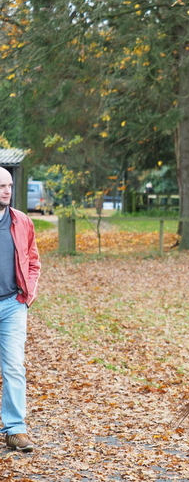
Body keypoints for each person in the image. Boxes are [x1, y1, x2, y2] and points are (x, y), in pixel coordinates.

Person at [0, 167, 40, 452]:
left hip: (13, 305)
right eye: (1, 186)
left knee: (14, 367)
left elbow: (33, 261)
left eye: (9, 186)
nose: (6, 191)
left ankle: (15, 429)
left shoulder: (22, 221)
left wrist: (28, 294)